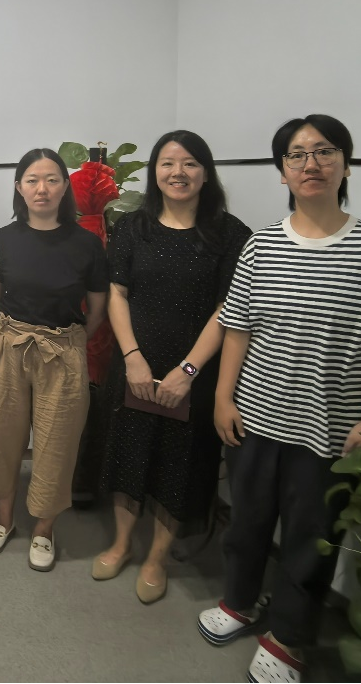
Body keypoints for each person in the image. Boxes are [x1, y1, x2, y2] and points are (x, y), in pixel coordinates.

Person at [199, 115, 361, 684]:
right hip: (254, 420)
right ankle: (239, 602)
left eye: (324, 152)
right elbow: (237, 327)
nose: (311, 164)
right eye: (296, 155)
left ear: (346, 165)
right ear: (282, 173)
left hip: (330, 432)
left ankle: (290, 638)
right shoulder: (261, 245)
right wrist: (223, 397)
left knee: (311, 540)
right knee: (247, 523)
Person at [92, 131, 251, 604]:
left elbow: (228, 308)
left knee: (180, 463)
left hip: (195, 370)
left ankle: (157, 558)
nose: (177, 172)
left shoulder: (231, 234)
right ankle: (122, 543)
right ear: (155, 172)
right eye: (167, 163)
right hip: (135, 362)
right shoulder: (132, 227)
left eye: (189, 164)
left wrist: (189, 370)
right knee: (128, 452)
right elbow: (117, 292)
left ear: (206, 172)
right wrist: (132, 358)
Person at [0, 148, 108, 571]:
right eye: (32, 180)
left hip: (63, 351)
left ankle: (44, 530)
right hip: (10, 347)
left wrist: (69, 341)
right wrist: (10, 335)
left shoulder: (86, 243)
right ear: (19, 187)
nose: (42, 188)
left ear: (65, 187)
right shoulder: (2, 239)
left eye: (51, 179)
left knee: (57, 444)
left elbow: (98, 309)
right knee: (1, 437)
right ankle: (3, 521)